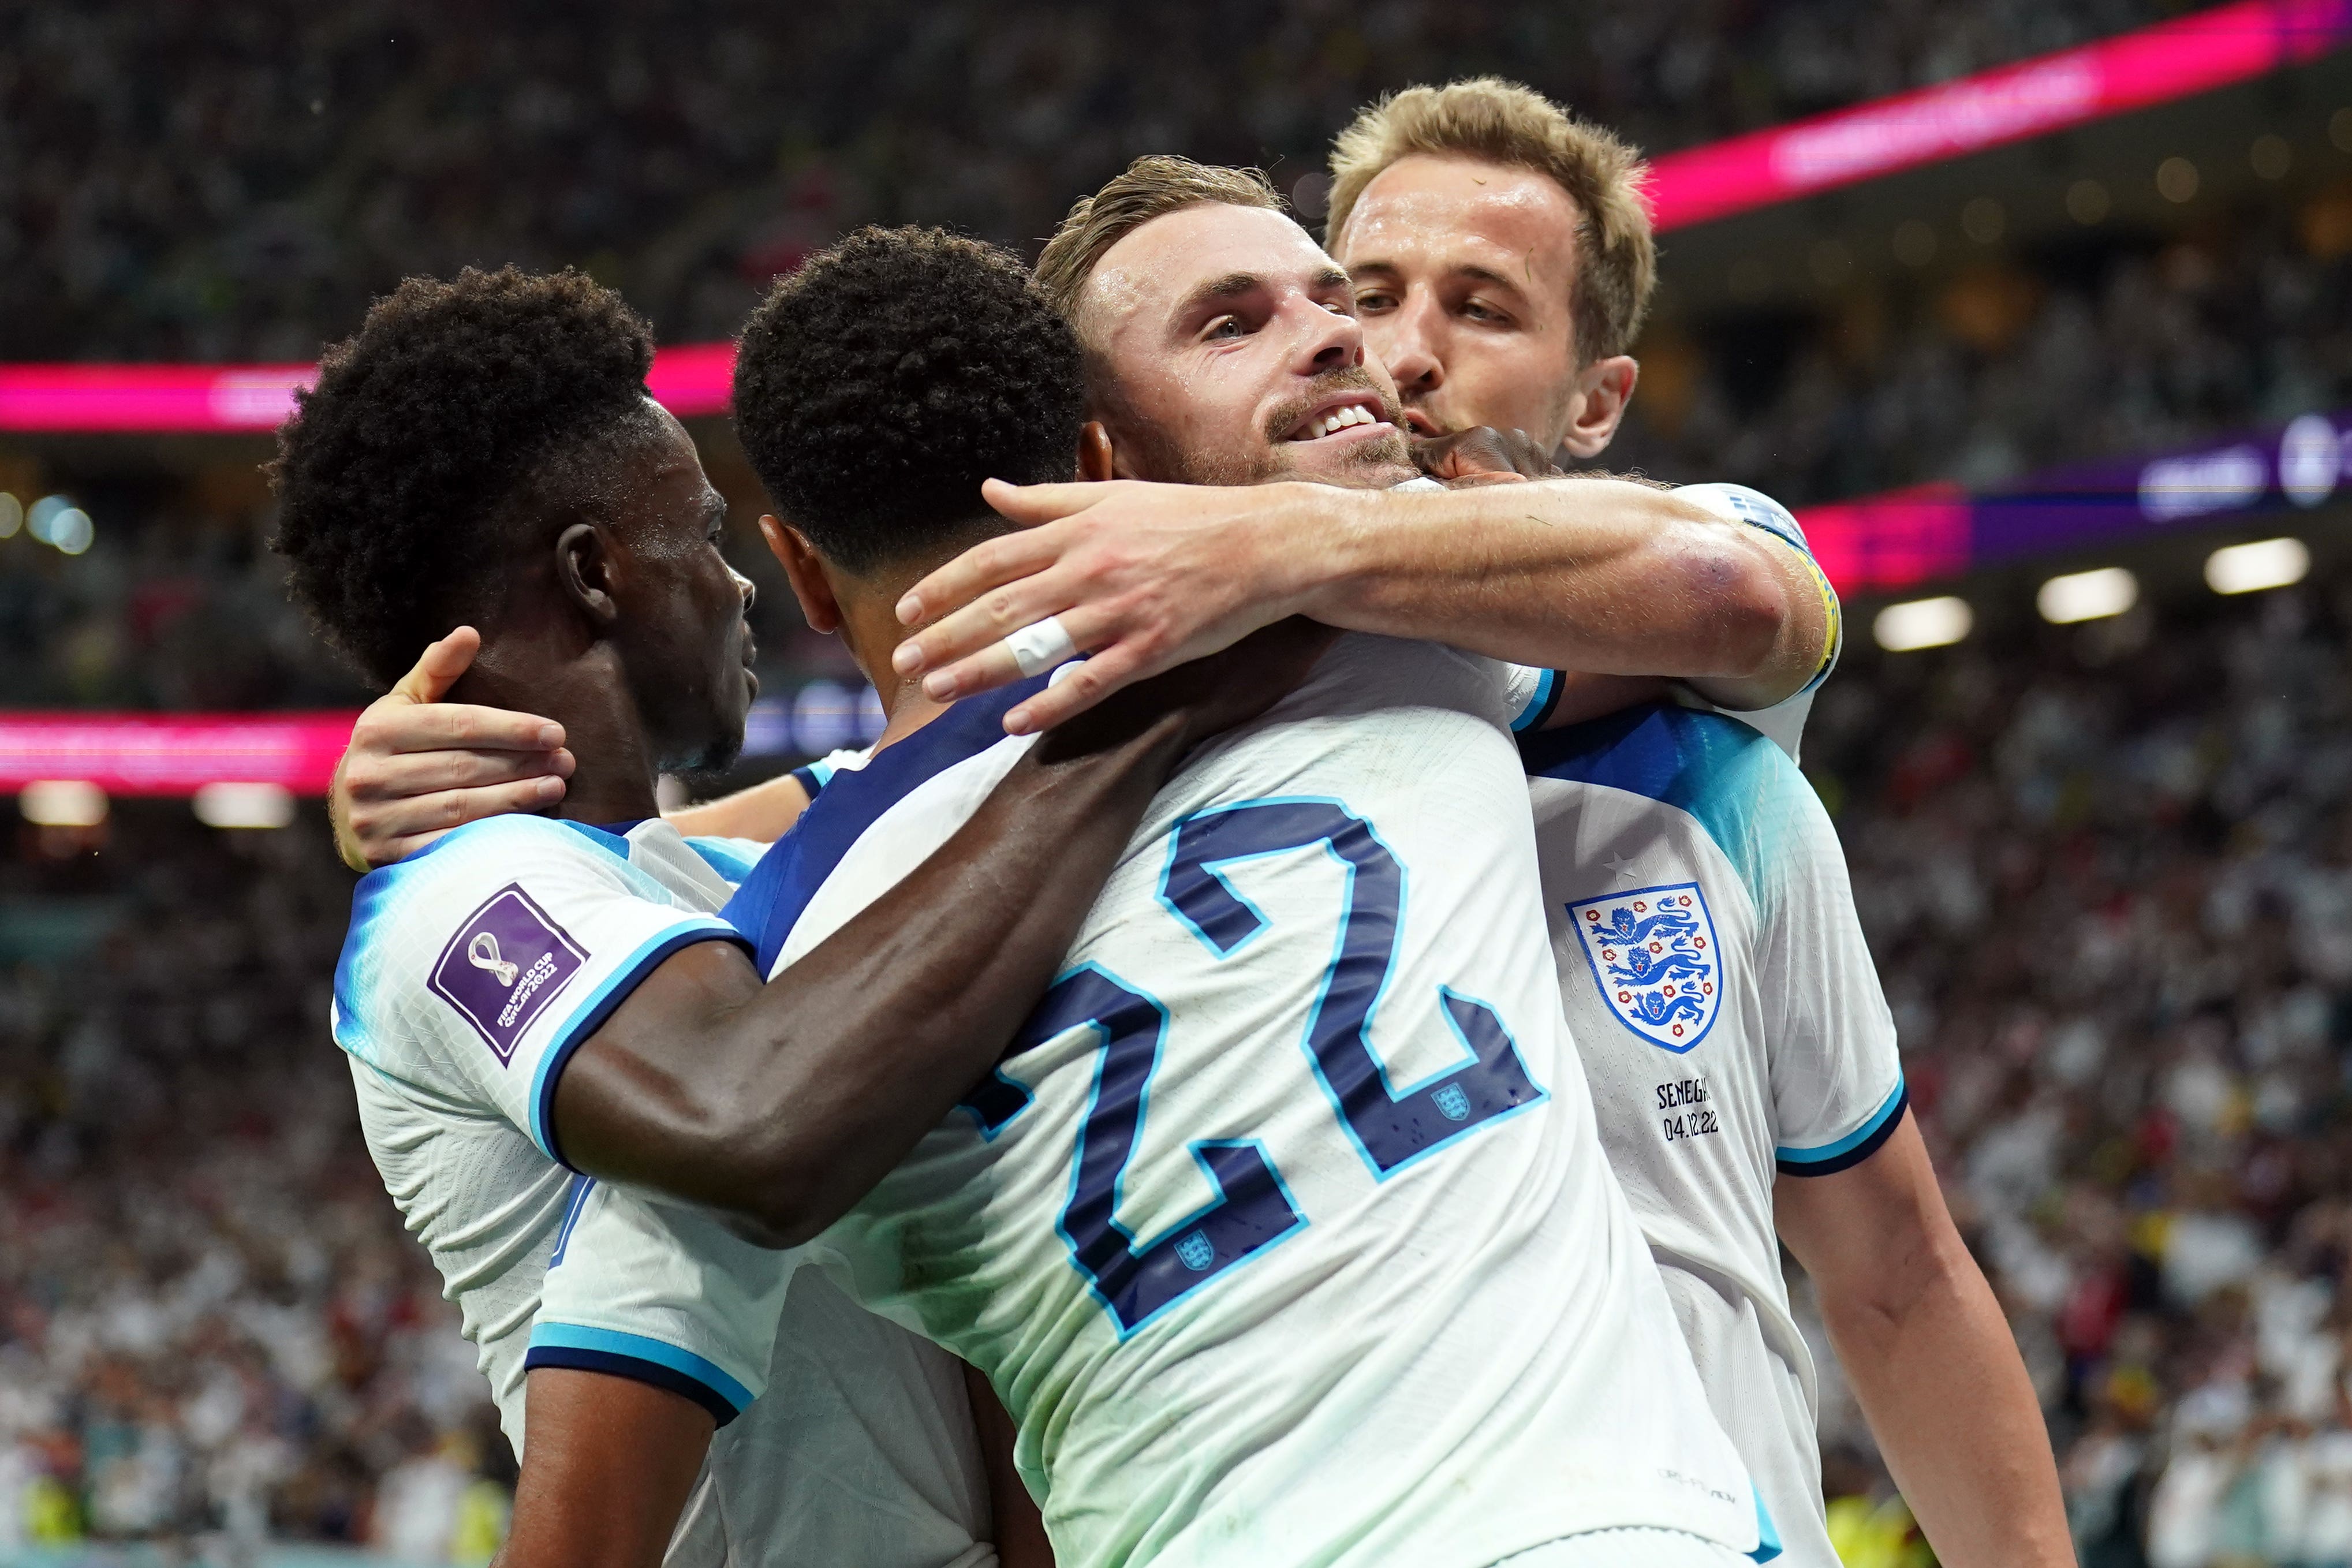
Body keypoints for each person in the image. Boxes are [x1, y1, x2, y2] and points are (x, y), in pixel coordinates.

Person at [501, 216, 1769, 1567]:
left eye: (1332, 299)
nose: (1343, 333)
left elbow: (593, 1488)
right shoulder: (1396, 631)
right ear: (1106, 457)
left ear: (800, 568)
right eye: (1235, 321)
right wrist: (1315, 550)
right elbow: (1747, 579)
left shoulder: (762, 950)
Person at [274, 264, 1315, 1568]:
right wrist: (1146, 712)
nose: (740, 584)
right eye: (701, 537)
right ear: (596, 574)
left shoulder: (703, 884)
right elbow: (744, 1112)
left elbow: (934, 793)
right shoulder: (460, 894)